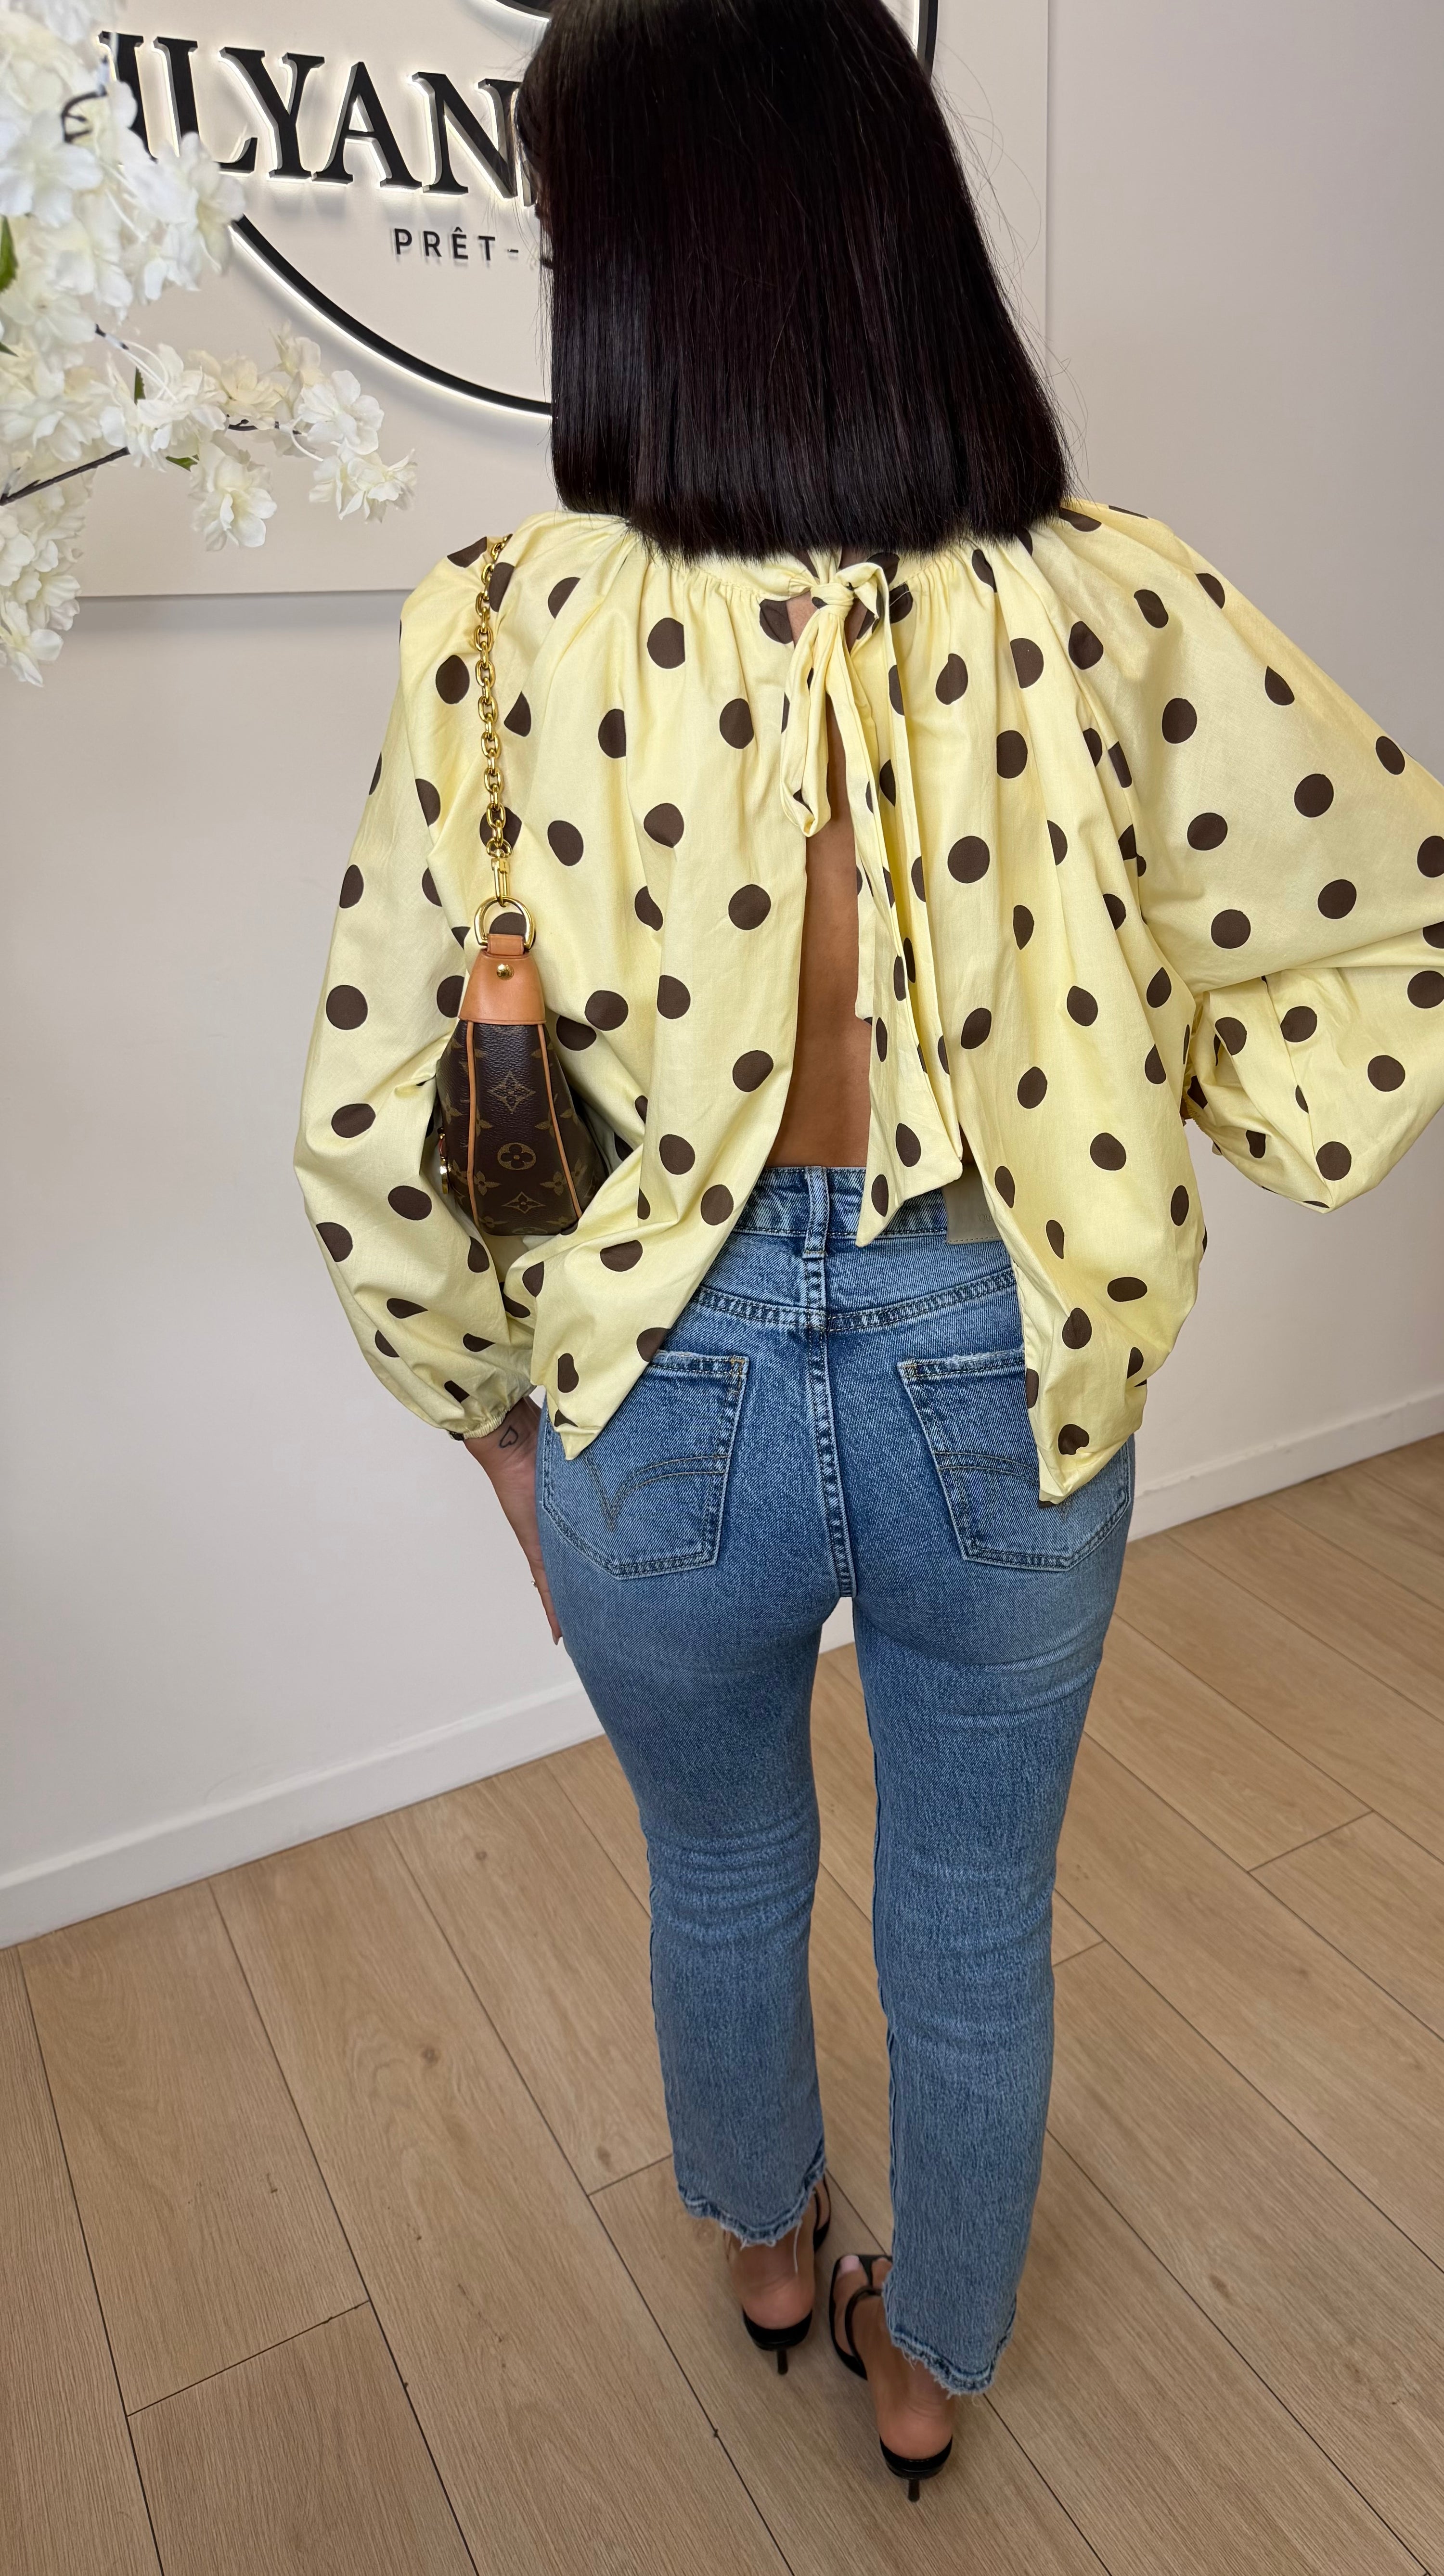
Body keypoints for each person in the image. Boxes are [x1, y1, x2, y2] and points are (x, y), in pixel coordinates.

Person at [296, 0, 1444, 2502]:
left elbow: (403, 1102)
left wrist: (495, 1425)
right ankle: (929, 2364)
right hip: (998, 1359)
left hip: (653, 1382)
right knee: (973, 1904)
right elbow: (1370, 913)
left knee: (717, 1857)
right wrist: (1171, 1110)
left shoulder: (499, 625)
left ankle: (760, 2246)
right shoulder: (1108, 601)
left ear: (649, 277)